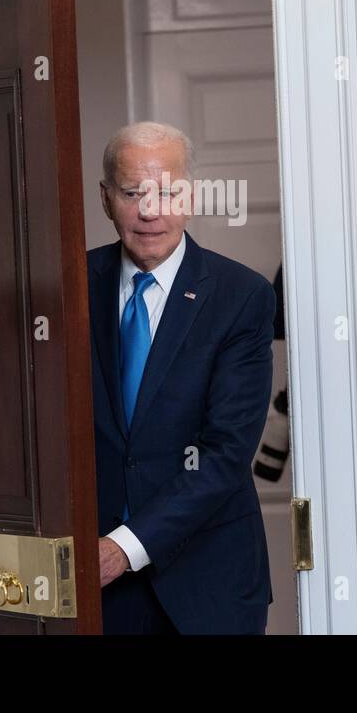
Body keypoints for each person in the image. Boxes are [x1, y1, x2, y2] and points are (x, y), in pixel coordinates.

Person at [89, 121, 275, 634]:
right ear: (106, 199)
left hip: (208, 583)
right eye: (133, 193)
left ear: (191, 196)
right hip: (94, 585)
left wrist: (123, 548)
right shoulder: (67, 288)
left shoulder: (241, 297)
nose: (150, 211)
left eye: (167, 192)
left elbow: (226, 453)